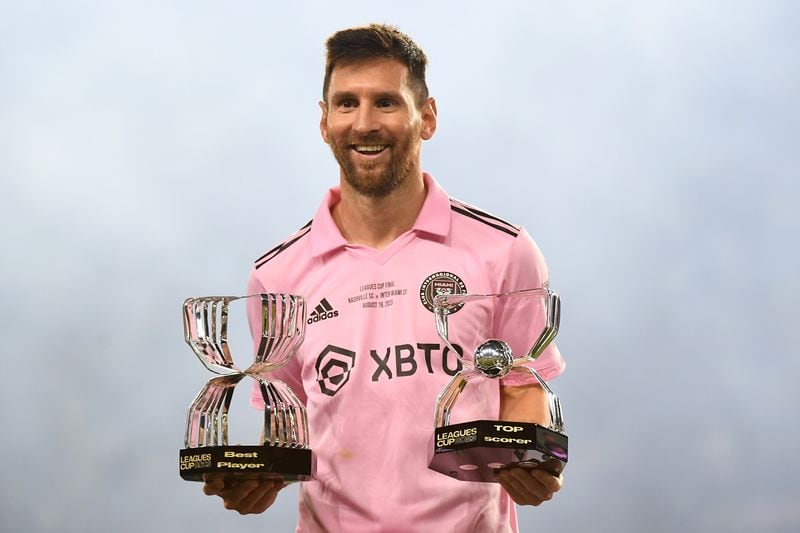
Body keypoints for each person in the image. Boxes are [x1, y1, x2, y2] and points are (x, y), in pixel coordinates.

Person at [204, 23, 566, 532]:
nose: (364, 123)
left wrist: (534, 456)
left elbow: (522, 384)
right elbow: (290, 424)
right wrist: (259, 480)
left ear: (428, 117)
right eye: (346, 103)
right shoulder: (276, 276)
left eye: (387, 103)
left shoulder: (504, 251)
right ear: (324, 121)